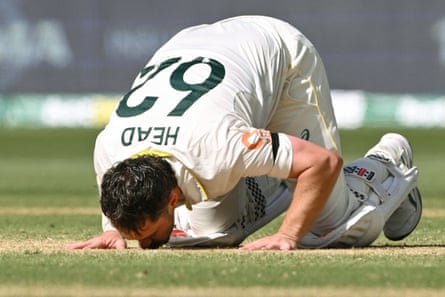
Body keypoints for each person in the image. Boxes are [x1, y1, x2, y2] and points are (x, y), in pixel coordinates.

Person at [67, 15, 421, 251]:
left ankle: (388, 159)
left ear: (172, 197)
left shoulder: (218, 145)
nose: (143, 247)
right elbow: (116, 192)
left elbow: (323, 163)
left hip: (279, 55)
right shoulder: (109, 147)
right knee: (207, 235)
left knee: (329, 228)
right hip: (196, 44)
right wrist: (114, 231)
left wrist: (287, 235)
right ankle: (280, 172)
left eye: (143, 235)